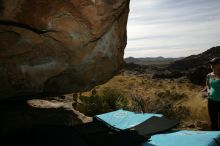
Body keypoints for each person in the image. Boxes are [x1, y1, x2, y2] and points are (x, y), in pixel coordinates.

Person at [206, 57, 220, 130]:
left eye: (214, 63)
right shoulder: (209, 75)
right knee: (213, 120)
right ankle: (215, 137)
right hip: (211, 100)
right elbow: (208, 84)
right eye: (211, 63)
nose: (212, 65)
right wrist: (208, 90)